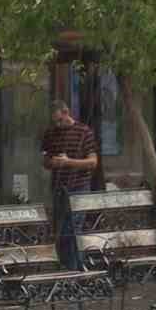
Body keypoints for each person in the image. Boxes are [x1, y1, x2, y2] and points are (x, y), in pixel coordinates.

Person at [40, 101, 99, 270]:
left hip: (79, 186)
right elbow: (45, 161)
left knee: (73, 227)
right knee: (63, 230)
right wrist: (54, 163)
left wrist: (69, 162)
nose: (58, 125)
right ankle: (72, 267)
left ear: (66, 113)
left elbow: (93, 162)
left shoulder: (84, 132)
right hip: (59, 186)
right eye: (55, 121)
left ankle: (74, 268)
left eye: (60, 120)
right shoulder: (51, 134)